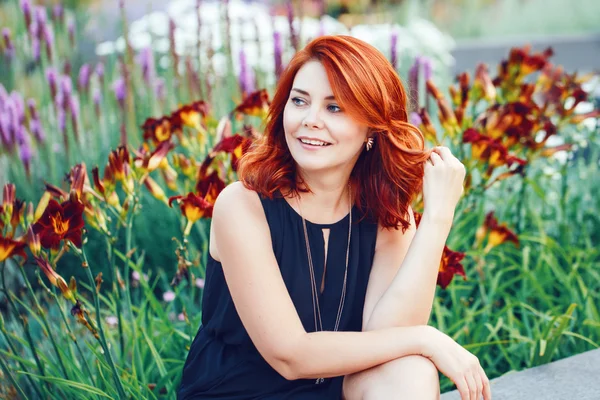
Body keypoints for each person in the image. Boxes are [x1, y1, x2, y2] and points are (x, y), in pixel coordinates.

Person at [178, 35, 491, 400]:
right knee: (416, 354)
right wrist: (427, 338)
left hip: (333, 391)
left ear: (373, 127)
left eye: (335, 108)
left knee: (410, 370)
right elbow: (290, 355)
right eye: (300, 101)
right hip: (237, 392)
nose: (310, 121)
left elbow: (389, 335)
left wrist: (438, 217)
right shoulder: (243, 206)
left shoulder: (385, 212)